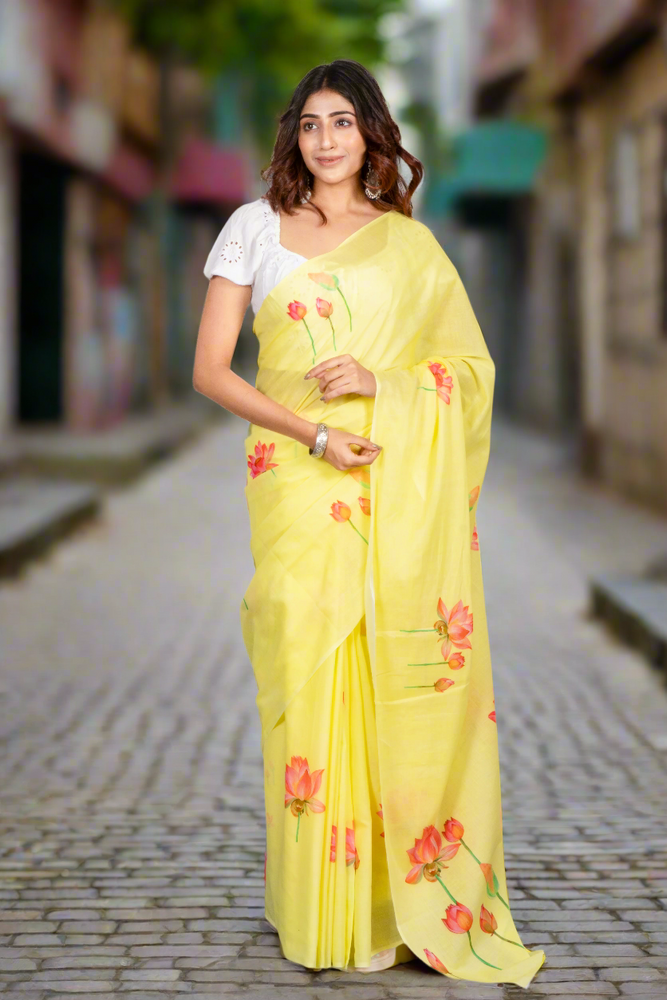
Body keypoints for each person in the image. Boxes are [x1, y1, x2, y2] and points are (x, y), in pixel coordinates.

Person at [193, 59, 546, 987]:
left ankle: (394, 906)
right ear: (292, 138)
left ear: (371, 132)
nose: (325, 140)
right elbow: (213, 372)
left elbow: (468, 376)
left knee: (383, 669)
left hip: (388, 486)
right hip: (299, 484)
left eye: (342, 122)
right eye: (309, 124)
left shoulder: (407, 246)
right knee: (305, 671)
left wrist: (380, 387)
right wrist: (314, 430)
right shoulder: (251, 229)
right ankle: (320, 908)